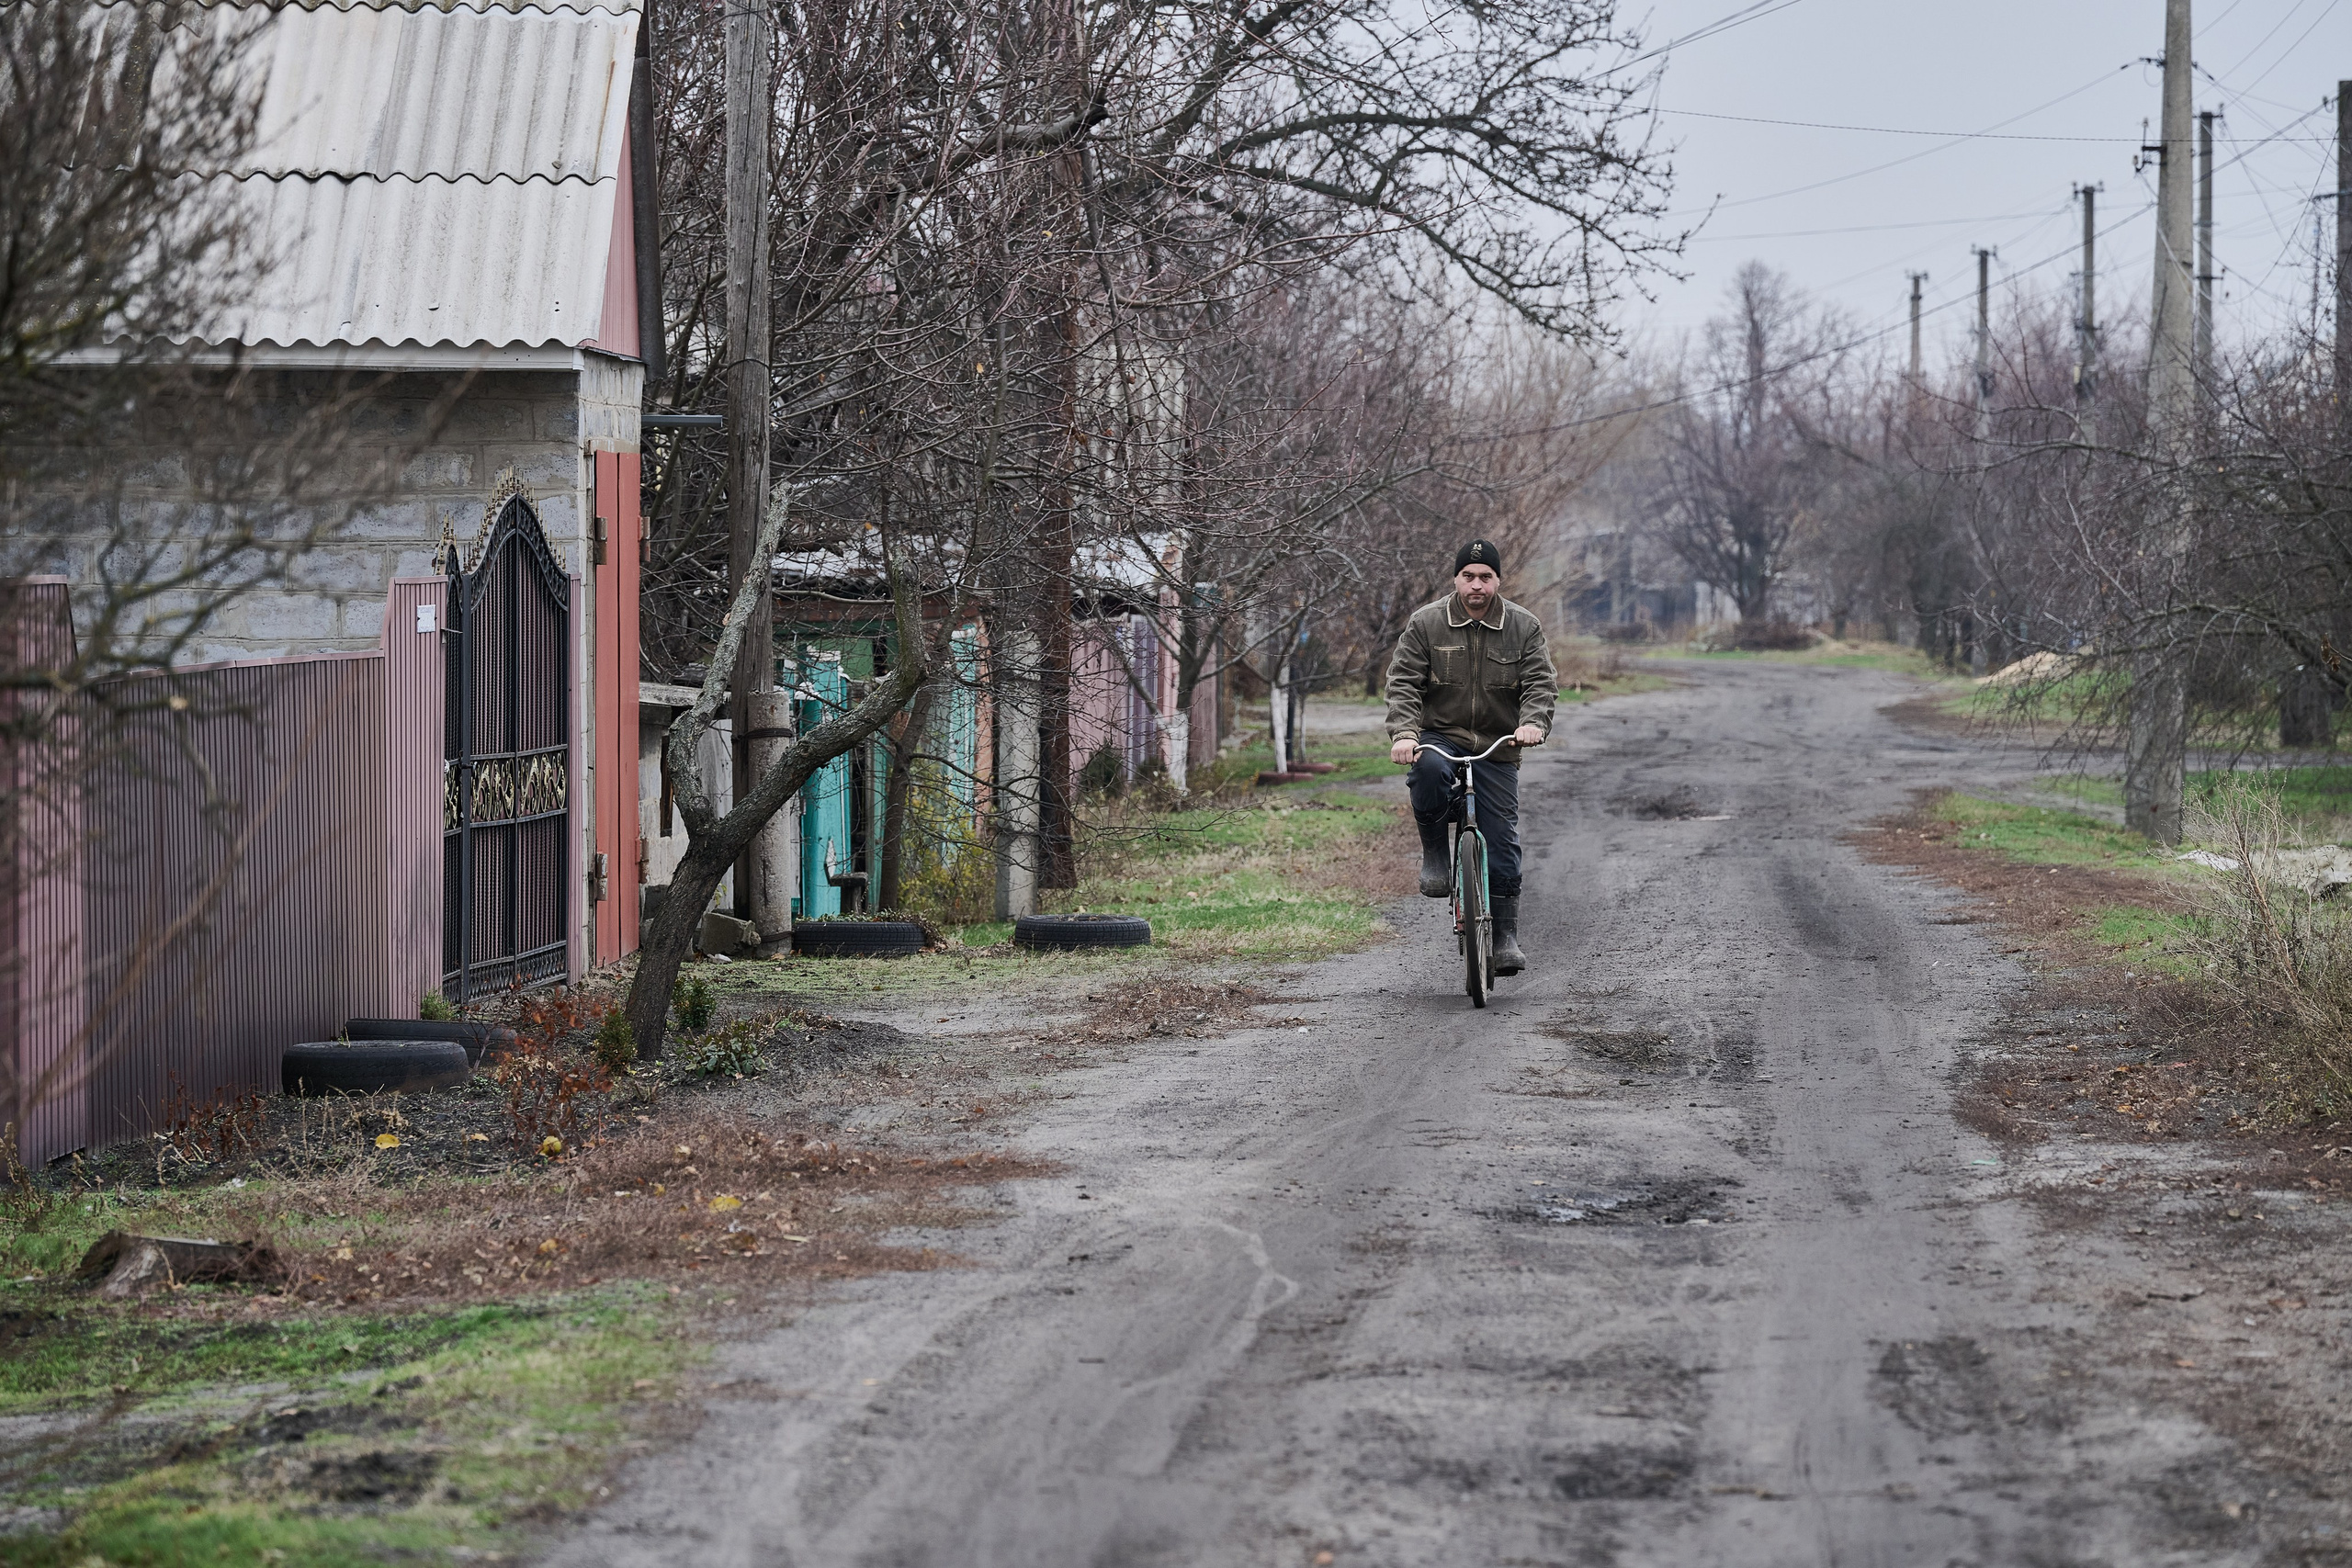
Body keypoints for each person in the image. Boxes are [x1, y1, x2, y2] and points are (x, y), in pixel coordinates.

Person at [1384, 539, 1556, 976]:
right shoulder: (1426, 623)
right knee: (1427, 767)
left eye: (1485, 577)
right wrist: (1405, 734)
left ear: (1498, 580)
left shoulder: (1523, 626)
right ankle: (1436, 856)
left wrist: (1532, 723)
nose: (1476, 585)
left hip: (1500, 745)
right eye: (1468, 576)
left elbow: (1540, 682)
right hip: (1443, 736)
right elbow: (1404, 683)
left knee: (1502, 842)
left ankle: (1504, 938)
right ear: (1456, 579)